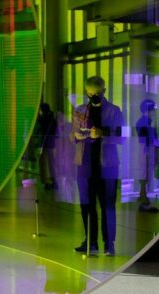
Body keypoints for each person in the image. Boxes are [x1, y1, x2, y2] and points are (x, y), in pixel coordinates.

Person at [72, 76, 125, 257]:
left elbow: (122, 137)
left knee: (107, 205)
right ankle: (91, 242)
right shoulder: (79, 111)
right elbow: (72, 135)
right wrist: (79, 135)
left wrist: (103, 134)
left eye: (98, 93)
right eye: (91, 93)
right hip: (84, 165)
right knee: (87, 205)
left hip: (108, 166)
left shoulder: (114, 111)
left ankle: (109, 244)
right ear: (86, 92)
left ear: (104, 91)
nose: (94, 96)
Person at [136, 99, 159, 212]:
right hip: (146, 151)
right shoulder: (144, 122)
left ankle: (144, 198)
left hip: (147, 151)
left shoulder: (146, 121)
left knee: (146, 174)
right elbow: (146, 139)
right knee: (145, 174)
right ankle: (144, 200)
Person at [37, 102, 58, 190]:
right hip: (52, 143)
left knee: (43, 163)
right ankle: (54, 181)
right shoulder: (52, 119)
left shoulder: (42, 119)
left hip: (44, 144)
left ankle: (45, 181)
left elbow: (39, 128)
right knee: (52, 163)